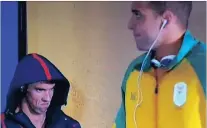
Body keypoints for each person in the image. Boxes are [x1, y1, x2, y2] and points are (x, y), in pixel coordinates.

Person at [113, 1, 206, 128]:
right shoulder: (135, 71)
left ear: (166, 19)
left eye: (138, 14)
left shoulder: (203, 67)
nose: (130, 24)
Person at [1, 53, 81, 128]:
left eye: (51, 89)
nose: (47, 98)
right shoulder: (3, 125)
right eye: (40, 90)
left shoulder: (69, 126)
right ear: (24, 89)